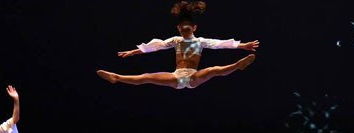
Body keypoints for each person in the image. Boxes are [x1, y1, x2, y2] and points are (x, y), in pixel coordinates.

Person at [97, 1, 259, 89]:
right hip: (176, 76)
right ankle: (116, 77)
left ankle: (238, 65)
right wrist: (133, 52)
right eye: (182, 29)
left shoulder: (200, 41)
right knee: (146, 77)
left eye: (187, 29)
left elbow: (219, 44)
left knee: (214, 70)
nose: (184, 32)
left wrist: (242, 45)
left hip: (193, 76)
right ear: (178, 29)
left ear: (194, 28)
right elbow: (156, 46)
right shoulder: (176, 40)